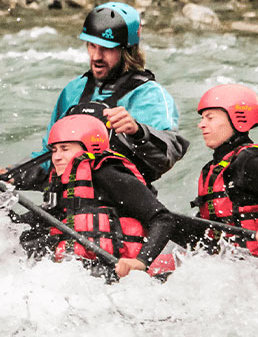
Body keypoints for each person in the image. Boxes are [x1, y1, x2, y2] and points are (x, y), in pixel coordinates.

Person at [0, 1, 188, 190]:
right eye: (91, 46)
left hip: (120, 205)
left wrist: (138, 131)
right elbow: (50, 157)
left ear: (127, 50)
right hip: (68, 202)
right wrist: (7, 175)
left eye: (106, 48)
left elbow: (167, 154)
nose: (96, 56)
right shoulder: (74, 91)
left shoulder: (149, 95)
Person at [16, 112, 178, 279]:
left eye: (65, 149)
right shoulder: (65, 187)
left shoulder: (109, 174)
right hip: (79, 272)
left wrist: (141, 261)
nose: (56, 157)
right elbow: (24, 227)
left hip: (117, 273)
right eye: (55, 150)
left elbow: (163, 219)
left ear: (89, 148)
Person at [178, 84, 258, 258]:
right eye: (202, 118)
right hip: (229, 262)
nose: (201, 125)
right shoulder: (213, 167)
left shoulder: (250, 160)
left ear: (236, 119)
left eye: (210, 118)